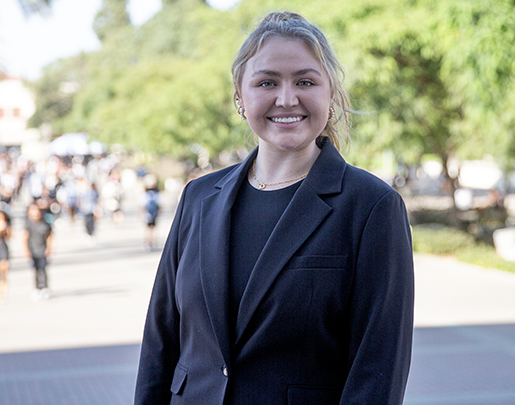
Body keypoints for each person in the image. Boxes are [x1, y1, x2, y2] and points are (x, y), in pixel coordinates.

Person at [134, 11, 414, 405]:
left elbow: (377, 371)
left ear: (330, 93)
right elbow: (159, 345)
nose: (287, 98)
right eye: (267, 82)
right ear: (240, 94)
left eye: (305, 81)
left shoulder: (371, 207)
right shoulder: (198, 198)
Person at [23, 203, 53, 301]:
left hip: (42, 249)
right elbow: (24, 237)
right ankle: (37, 288)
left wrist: (50, 247)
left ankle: (44, 287)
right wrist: (26, 250)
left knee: (43, 269)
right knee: (35, 270)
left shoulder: (44, 222)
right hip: (33, 250)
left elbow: (49, 235)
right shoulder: (28, 224)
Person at [139, 174, 161, 251]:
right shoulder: (156, 194)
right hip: (153, 214)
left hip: (148, 214)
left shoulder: (146, 194)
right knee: (152, 228)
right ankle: (151, 242)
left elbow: (142, 205)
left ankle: (149, 242)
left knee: (148, 229)